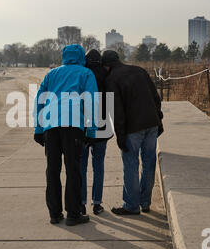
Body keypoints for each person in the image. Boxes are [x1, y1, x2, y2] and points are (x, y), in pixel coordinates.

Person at [33, 44, 99, 226]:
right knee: (73, 170)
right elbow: (91, 102)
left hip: (50, 125)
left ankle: (54, 214)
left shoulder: (51, 74)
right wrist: (92, 130)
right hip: (73, 125)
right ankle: (73, 214)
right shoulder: (85, 73)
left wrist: (38, 129)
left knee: (52, 170)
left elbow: (39, 101)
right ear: (81, 57)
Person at [102, 50, 163, 215]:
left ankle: (131, 205)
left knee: (131, 165)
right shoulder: (139, 70)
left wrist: (120, 135)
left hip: (132, 129)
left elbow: (117, 111)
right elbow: (155, 98)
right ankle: (145, 202)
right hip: (151, 124)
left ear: (106, 66)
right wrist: (159, 120)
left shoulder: (111, 80)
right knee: (149, 163)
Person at [79, 49, 113, 216]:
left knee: (81, 167)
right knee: (98, 166)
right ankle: (97, 203)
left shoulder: (82, 74)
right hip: (102, 126)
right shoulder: (107, 76)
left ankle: (81, 203)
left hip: (84, 127)